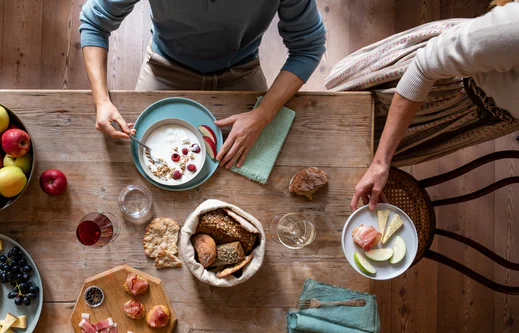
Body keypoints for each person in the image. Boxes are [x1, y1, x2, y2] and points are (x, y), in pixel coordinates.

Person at [80, 0, 326, 169]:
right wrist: (101, 101)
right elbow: (94, 22)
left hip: (241, 71)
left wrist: (263, 114)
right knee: (140, 163)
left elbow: (308, 47)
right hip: (166, 67)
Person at [324, 0, 519, 210]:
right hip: (444, 86)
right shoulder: (514, 29)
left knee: (381, 152)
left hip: (486, 117)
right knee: (344, 124)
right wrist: (381, 163)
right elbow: (424, 67)